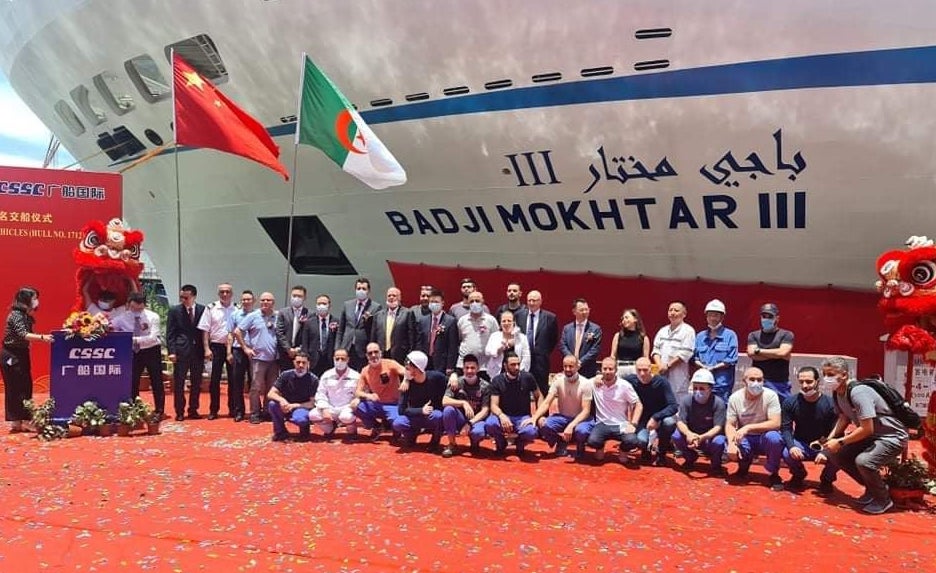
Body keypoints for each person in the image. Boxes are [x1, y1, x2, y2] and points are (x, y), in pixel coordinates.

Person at [821, 356, 908, 515]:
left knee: (864, 461)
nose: (827, 378)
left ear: (844, 375)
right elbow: (844, 418)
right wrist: (830, 440)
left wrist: (840, 442)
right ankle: (872, 489)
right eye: (824, 374)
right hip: (872, 436)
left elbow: (867, 429)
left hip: (891, 437)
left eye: (831, 374)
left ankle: (883, 499)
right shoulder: (837, 393)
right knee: (835, 454)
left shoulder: (858, 393)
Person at [2, 286, 52, 433]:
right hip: (11, 355)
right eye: (34, 298)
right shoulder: (16, 315)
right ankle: (17, 421)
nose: (36, 301)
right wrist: (43, 337)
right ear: (25, 299)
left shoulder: (25, 315)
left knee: (25, 387)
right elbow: (23, 334)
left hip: (21, 353)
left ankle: (23, 420)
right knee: (15, 388)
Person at [780, 366, 839, 493]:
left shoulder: (831, 404)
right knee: (786, 452)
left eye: (809, 382)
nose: (805, 385)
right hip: (801, 443)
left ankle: (827, 480)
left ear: (817, 381)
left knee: (839, 453)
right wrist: (791, 446)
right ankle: (798, 474)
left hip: (824, 443)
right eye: (801, 382)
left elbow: (837, 432)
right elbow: (786, 428)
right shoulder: (790, 402)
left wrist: (825, 451)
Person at [725, 367, 784, 490]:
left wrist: (748, 427)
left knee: (775, 438)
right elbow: (730, 424)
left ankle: (774, 474)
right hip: (746, 437)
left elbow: (776, 423)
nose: (756, 383)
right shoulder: (735, 398)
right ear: (744, 381)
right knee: (734, 441)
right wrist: (731, 444)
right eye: (752, 379)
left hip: (764, 436)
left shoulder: (771, 395)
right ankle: (743, 468)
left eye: (759, 379)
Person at [527, 354, 594, 459]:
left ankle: (580, 445)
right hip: (563, 417)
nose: (567, 369)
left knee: (581, 431)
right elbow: (546, 402)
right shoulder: (558, 381)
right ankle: (561, 442)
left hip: (581, 419)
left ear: (577, 367)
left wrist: (571, 425)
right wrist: (535, 418)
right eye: (565, 366)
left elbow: (586, 411)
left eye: (571, 366)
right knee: (544, 424)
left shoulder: (586, 383)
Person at [110, 292, 164, 416]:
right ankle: (135, 408)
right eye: (133, 308)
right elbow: (110, 327)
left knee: (156, 380)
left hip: (151, 350)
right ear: (128, 304)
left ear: (144, 305)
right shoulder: (122, 318)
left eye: (140, 308)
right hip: (133, 352)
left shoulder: (153, 317)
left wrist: (130, 339)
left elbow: (153, 338)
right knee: (133, 380)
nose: (136, 311)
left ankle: (159, 410)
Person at [233, 292, 280, 424]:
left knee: (271, 387)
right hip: (258, 358)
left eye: (268, 300)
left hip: (274, 359)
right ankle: (255, 413)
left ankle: (267, 411)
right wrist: (245, 348)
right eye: (263, 300)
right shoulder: (253, 316)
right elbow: (237, 331)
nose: (265, 302)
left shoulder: (278, 316)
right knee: (256, 387)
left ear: (273, 302)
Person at [586, 357, 643, 462]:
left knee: (632, 440)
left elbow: (638, 404)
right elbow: (580, 382)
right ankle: (600, 448)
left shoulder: (624, 385)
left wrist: (633, 424)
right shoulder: (594, 383)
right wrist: (559, 377)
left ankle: (623, 450)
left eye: (611, 369)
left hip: (621, 424)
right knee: (592, 441)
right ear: (601, 370)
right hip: (602, 424)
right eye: (605, 369)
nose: (607, 372)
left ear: (616, 370)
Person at [672, 369, 728, 475]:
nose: (698, 391)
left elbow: (718, 427)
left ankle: (716, 465)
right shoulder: (686, 401)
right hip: (691, 436)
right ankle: (690, 458)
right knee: (676, 436)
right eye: (695, 388)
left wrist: (702, 437)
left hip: (709, 438)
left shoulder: (718, 403)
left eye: (702, 388)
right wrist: (688, 434)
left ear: (710, 389)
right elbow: (680, 422)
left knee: (719, 441)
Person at [625, 357, 678, 466]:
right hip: (642, 420)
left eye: (645, 370)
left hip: (660, 419)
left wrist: (656, 417)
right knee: (641, 441)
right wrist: (598, 377)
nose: (642, 373)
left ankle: (661, 453)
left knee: (669, 423)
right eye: (639, 370)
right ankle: (646, 449)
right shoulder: (630, 380)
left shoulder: (662, 382)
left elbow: (673, 406)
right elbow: (612, 378)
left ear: (651, 369)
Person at [485, 352, 538, 457]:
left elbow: (539, 396)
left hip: (522, 417)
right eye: (513, 365)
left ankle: (520, 443)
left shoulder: (528, 377)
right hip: (503, 416)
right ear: (505, 366)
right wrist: (501, 416)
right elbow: (493, 405)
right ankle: (501, 443)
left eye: (518, 364)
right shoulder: (497, 380)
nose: (517, 367)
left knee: (532, 431)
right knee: (490, 424)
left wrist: (536, 416)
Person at [166, 284, 206, 421]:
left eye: (186, 297)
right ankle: (180, 411)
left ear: (194, 297)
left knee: (196, 382)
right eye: (181, 297)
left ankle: (193, 409)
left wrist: (207, 349)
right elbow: (170, 333)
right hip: (181, 351)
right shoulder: (174, 311)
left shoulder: (202, 310)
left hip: (198, 351)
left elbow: (205, 331)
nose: (183, 300)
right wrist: (171, 351)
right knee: (179, 382)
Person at [392, 350, 447, 450]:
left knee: (438, 416)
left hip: (431, 415)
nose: (405, 370)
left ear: (417, 368)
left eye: (408, 368)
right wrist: (421, 410)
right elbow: (401, 410)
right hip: (415, 416)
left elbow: (447, 380)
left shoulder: (436, 377)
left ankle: (435, 441)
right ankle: (411, 436)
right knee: (398, 423)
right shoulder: (406, 383)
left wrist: (454, 376)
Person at [197, 282, 236, 419]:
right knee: (214, 380)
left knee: (233, 380)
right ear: (218, 293)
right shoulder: (210, 308)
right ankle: (214, 410)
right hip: (216, 347)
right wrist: (206, 348)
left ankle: (233, 409)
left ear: (232, 293)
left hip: (233, 348)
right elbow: (205, 330)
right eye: (222, 292)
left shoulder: (237, 308)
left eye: (227, 292)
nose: (225, 294)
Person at [440, 354, 491, 457]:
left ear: (478, 369)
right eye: (467, 368)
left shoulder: (485, 386)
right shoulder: (456, 382)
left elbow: (485, 410)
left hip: (476, 420)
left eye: (472, 368)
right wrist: (463, 403)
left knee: (478, 433)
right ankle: (452, 444)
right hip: (460, 418)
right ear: (463, 369)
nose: (469, 371)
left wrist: (470, 424)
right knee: (448, 410)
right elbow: (444, 401)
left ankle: (474, 443)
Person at [354, 342, 406, 438]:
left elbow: (407, 372)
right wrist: (368, 395)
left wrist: (405, 381)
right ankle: (377, 427)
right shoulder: (365, 370)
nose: (373, 355)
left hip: (393, 404)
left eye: (376, 352)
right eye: (370, 353)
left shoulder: (390, 363)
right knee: (357, 407)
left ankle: (394, 428)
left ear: (380, 353)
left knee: (398, 424)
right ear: (367, 356)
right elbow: (357, 392)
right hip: (377, 404)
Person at [514, 290, 559, 400]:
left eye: (534, 300)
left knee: (542, 391)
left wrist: (543, 352)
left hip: (541, 361)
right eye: (529, 300)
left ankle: (542, 411)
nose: (531, 303)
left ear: (540, 301)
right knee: (521, 389)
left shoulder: (550, 317)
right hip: (523, 359)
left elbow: (553, 339)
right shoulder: (519, 315)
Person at [692, 299, 738, 403]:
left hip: (721, 386)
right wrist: (703, 367)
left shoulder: (730, 335)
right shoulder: (700, 336)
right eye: (710, 315)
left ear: (722, 317)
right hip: (702, 384)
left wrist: (713, 368)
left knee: (721, 410)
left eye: (716, 315)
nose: (713, 318)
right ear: (706, 317)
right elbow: (695, 358)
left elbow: (731, 359)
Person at [309, 348, 360, 440]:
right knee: (313, 415)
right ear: (333, 359)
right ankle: (330, 428)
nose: (340, 361)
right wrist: (324, 409)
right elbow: (321, 394)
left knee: (346, 417)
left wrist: (356, 401)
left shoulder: (356, 376)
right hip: (330, 407)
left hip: (347, 408)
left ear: (348, 359)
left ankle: (352, 431)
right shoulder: (326, 375)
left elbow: (360, 393)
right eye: (337, 358)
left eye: (343, 359)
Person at [747, 303, 794, 399]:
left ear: (777, 318)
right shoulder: (753, 335)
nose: (766, 319)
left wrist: (758, 351)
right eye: (764, 316)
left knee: (782, 407)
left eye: (770, 316)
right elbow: (751, 353)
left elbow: (783, 352)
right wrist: (778, 355)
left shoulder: (786, 335)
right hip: (758, 382)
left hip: (780, 383)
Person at [267, 352, 318, 442]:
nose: (301, 365)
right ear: (294, 362)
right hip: (286, 406)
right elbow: (270, 393)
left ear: (308, 364)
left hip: (302, 407)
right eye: (298, 362)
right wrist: (281, 400)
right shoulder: (285, 375)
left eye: (304, 363)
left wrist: (294, 406)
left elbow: (312, 403)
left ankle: (304, 431)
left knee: (300, 419)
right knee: (272, 404)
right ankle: (280, 432)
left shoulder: (313, 379)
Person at [651, 301, 696, 401]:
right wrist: (660, 365)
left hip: (678, 376)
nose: (672, 312)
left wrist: (667, 366)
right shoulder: (662, 331)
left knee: (677, 403)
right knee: (660, 400)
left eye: (676, 310)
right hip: (660, 372)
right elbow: (656, 350)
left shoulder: (688, 331)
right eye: (670, 310)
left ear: (684, 314)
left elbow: (685, 353)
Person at [336, 278, 381, 371]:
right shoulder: (347, 305)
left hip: (363, 349)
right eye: (358, 288)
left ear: (368, 291)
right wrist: (338, 348)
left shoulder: (376, 307)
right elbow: (341, 329)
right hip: (347, 347)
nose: (361, 291)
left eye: (364, 289)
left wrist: (368, 321)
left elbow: (375, 331)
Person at [455, 290, 498, 377]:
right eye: (471, 301)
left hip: (485, 366)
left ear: (483, 302)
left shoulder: (491, 320)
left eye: (477, 301)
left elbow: (496, 341)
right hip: (465, 366)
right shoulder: (462, 320)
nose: (474, 303)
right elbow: (458, 340)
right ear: (468, 303)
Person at [226, 290, 254, 422]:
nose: (246, 302)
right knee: (237, 382)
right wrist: (229, 352)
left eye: (248, 299)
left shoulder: (258, 315)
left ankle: (255, 410)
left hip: (254, 351)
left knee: (254, 382)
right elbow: (230, 334)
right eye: (244, 299)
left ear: (253, 301)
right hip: (238, 351)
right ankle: (239, 411)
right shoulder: (235, 315)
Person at [416, 289, 458, 375]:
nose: (434, 304)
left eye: (436, 302)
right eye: (431, 302)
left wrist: (450, 366)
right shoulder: (423, 320)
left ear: (442, 303)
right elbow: (419, 343)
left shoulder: (450, 321)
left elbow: (452, 347)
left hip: (442, 363)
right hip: (425, 362)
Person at [370, 286, 416, 364]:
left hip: (400, 356)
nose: (391, 297)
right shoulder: (378, 315)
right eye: (389, 295)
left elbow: (411, 337)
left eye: (394, 295)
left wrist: (410, 355)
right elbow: (373, 337)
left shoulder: (407, 313)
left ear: (399, 298)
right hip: (382, 355)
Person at [559, 298, 602, 378]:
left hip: (587, 369)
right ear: (574, 311)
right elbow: (563, 345)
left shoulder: (595, 329)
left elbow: (595, 349)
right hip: (570, 369)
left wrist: (580, 363)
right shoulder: (567, 328)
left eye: (586, 309)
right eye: (581, 310)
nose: (585, 312)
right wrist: (572, 361)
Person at [484, 310, 530, 378]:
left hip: (517, 375)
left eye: (509, 321)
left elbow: (526, 358)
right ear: (500, 323)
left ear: (514, 323)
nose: (506, 323)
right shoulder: (494, 336)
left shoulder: (522, 338)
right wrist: (498, 350)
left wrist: (520, 373)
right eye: (504, 321)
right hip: (497, 374)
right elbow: (487, 352)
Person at [302, 294, 337, 378]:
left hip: (330, 361)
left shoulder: (336, 321)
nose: (321, 306)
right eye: (319, 304)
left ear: (329, 306)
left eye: (324, 304)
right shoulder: (309, 322)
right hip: (313, 360)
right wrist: (306, 360)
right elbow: (305, 343)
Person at [275, 285, 309, 371]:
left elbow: (309, 335)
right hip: (285, 354)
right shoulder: (283, 312)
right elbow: (279, 332)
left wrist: (300, 348)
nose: (296, 298)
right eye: (294, 296)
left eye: (299, 296)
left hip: (302, 355)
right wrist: (288, 349)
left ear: (304, 298)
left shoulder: (309, 314)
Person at [609, 308, 649, 378]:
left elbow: (645, 358)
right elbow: (613, 355)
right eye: (623, 318)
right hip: (620, 368)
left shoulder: (643, 338)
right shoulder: (618, 336)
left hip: (635, 369)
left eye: (627, 317)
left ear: (635, 319)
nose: (624, 320)